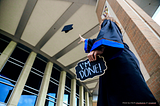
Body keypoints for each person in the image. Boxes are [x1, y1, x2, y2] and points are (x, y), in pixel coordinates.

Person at [78, 17, 159, 106]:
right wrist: (85, 40)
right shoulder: (113, 36)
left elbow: (105, 39)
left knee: (129, 92)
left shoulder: (108, 22)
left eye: (101, 26)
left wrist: (102, 49)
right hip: (118, 59)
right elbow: (100, 40)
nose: (100, 28)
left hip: (119, 59)